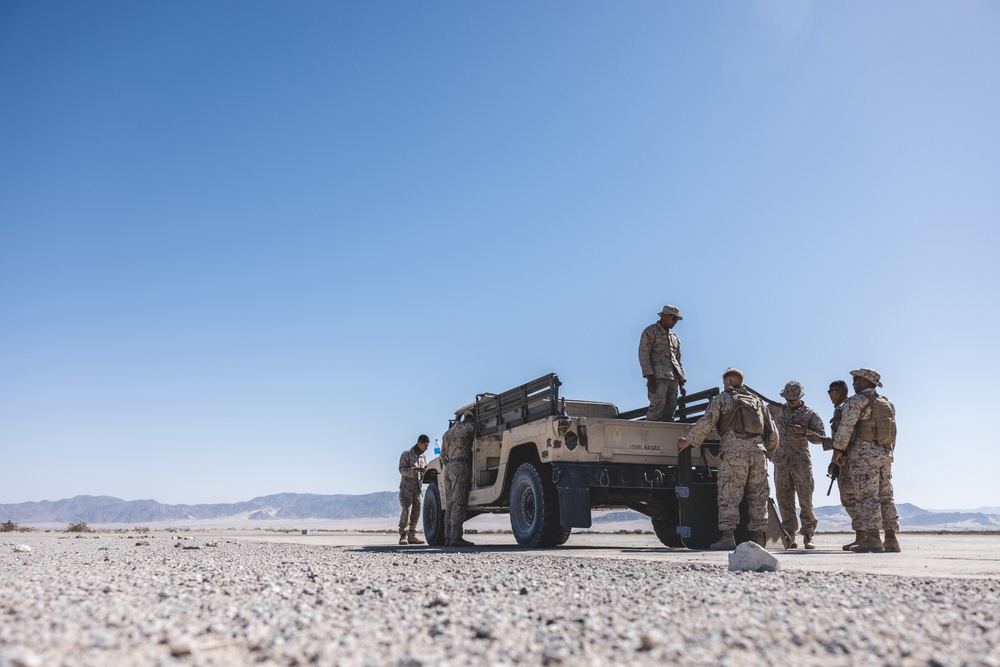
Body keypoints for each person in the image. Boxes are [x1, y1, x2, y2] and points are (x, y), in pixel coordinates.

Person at [678, 368, 778, 550]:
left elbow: (708, 421)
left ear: (730, 382)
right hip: (758, 455)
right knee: (758, 497)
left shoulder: (723, 399)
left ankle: (727, 537)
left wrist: (690, 441)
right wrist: (766, 454)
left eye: (725, 382)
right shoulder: (757, 402)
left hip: (734, 454)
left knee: (729, 495)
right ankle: (759, 539)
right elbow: (772, 433)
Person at [830, 368, 900, 553]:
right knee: (886, 496)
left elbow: (846, 428)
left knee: (866, 496)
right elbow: (892, 433)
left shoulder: (857, 401)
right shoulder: (887, 403)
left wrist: (838, 450)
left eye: (855, 379)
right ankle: (891, 539)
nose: (853, 383)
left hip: (863, 456)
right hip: (884, 455)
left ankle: (873, 539)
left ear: (865, 381)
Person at [770, 381, 826, 550]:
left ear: (800, 397)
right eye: (788, 398)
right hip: (780, 462)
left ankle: (808, 535)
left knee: (805, 500)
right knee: (784, 500)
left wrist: (805, 432)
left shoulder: (811, 414)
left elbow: (822, 438)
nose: (790, 401)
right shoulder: (775, 409)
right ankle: (789, 536)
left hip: (800, 462)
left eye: (793, 399)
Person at [817, 380, 865, 550]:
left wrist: (834, 459)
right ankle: (864, 535)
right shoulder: (850, 406)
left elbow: (842, 437)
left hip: (847, 460)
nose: (829, 395)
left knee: (850, 498)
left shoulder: (843, 408)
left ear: (836, 392)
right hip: (853, 457)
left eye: (830, 392)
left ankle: (863, 535)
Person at [638, 305, 687, 421]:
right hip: (658, 377)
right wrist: (649, 377)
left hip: (673, 377)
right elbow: (643, 354)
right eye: (674, 318)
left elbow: (678, 359)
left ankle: (666, 434)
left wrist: (682, 381)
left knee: (671, 408)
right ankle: (650, 433)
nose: (675, 322)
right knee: (657, 406)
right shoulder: (650, 332)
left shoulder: (674, 337)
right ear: (664, 316)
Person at [441, 410, 476, 547]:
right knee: (459, 502)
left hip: (448, 467)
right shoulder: (467, 427)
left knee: (449, 503)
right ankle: (456, 537)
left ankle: (448, 536)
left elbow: (442, 455)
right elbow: (476, 429)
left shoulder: (447, 433)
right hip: (460, 465)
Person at [397, 435, 429, 545]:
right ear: (419, 443)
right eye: (425, 445)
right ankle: (403, 535)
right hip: (407, 488)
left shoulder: (423, 457)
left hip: (418, 489)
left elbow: (425, 470)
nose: (426, 448)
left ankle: (412, 535)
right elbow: (401, 470)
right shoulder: (407, 454)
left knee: (416, 512)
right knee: (407, 511)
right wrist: (415, 470)